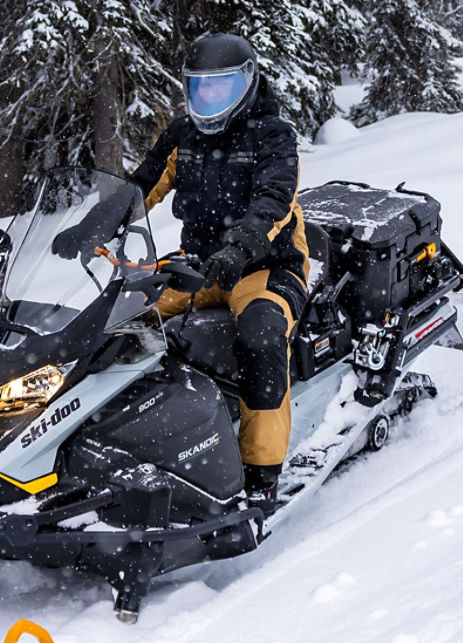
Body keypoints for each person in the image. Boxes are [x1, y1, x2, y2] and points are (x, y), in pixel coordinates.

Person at [132, 33, 310, 505]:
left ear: (248, 84)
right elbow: (140, 187)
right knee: (125, 316)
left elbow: (274, 199)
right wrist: (92, 224)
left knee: (261, 337)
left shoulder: (271, 136)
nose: (208, 100)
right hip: (201, 267)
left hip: (264, 266)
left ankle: (262, 473)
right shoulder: (182, 136)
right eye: (199, 89)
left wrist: (239, 246)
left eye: (221, 88)